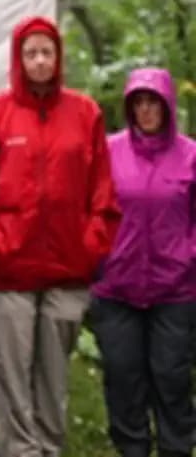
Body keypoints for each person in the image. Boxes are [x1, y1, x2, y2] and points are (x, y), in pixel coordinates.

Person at [0, 16, 120, 457]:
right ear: (18, 59)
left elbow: (103, 194)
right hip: (9, 273)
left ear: (58, 57)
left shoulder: (85, 114)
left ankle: (49, 448)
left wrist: (90, 247)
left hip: (68, 270)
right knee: (11, 377)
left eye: (47, 52)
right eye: (31, 53)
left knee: (53, 375)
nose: (40, 61)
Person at [89, 67, 196, 457]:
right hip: (116, 286)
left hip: (176, 288)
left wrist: (189, 256)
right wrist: (97, 255)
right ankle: (131, 449)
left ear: (167, 106)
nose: (146, 110)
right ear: (129, 107)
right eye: (139, 102)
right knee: (122, 375)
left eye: (154, 102)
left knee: (171, 376)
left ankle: (176, 448)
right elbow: (91, 208)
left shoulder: (190, 156)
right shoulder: (107, 150)